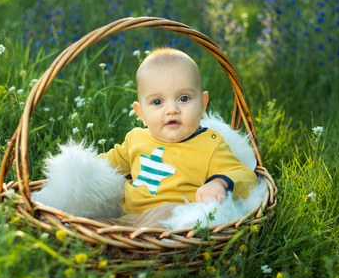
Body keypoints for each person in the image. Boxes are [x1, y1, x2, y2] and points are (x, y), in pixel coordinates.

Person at [96, 47, 257, 229]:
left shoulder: (210, 145)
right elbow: (102, 166)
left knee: (165, 212)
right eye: (157, 102)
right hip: (129, 219)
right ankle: (115, 240)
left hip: (173, 221)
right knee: (87, 225)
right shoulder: (135, 139)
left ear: (203, 105)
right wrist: (77, 170)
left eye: (184, 98)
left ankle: (134, 245)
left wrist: (219, 182)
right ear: (140, 113)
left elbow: (246, 175)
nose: (172, 109)